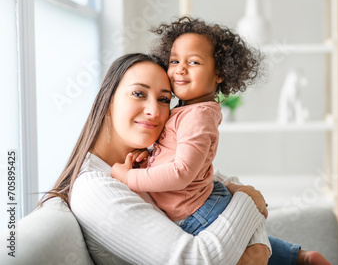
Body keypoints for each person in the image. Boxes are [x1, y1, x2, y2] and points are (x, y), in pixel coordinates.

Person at [111, 17, 331, 265]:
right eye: (174, 61)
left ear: (220, 73)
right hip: (201, 204)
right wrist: (147, 159)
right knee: (254, 249)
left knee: (242, 257)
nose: (180, 69)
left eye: (193, 62)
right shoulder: (185, 112)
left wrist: (129, 178)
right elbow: (173, 154)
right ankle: (301, 258)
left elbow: (182, 172)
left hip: (197, 212)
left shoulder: (198, 116)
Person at [42, 53, 272, 264]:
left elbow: (224, 183)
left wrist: (258, 243)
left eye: (164, 99)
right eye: (138, 94)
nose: (154, 110)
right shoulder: (95, 187)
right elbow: (195, 260)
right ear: (108, 103)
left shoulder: (152, 159)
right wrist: (249, 205)